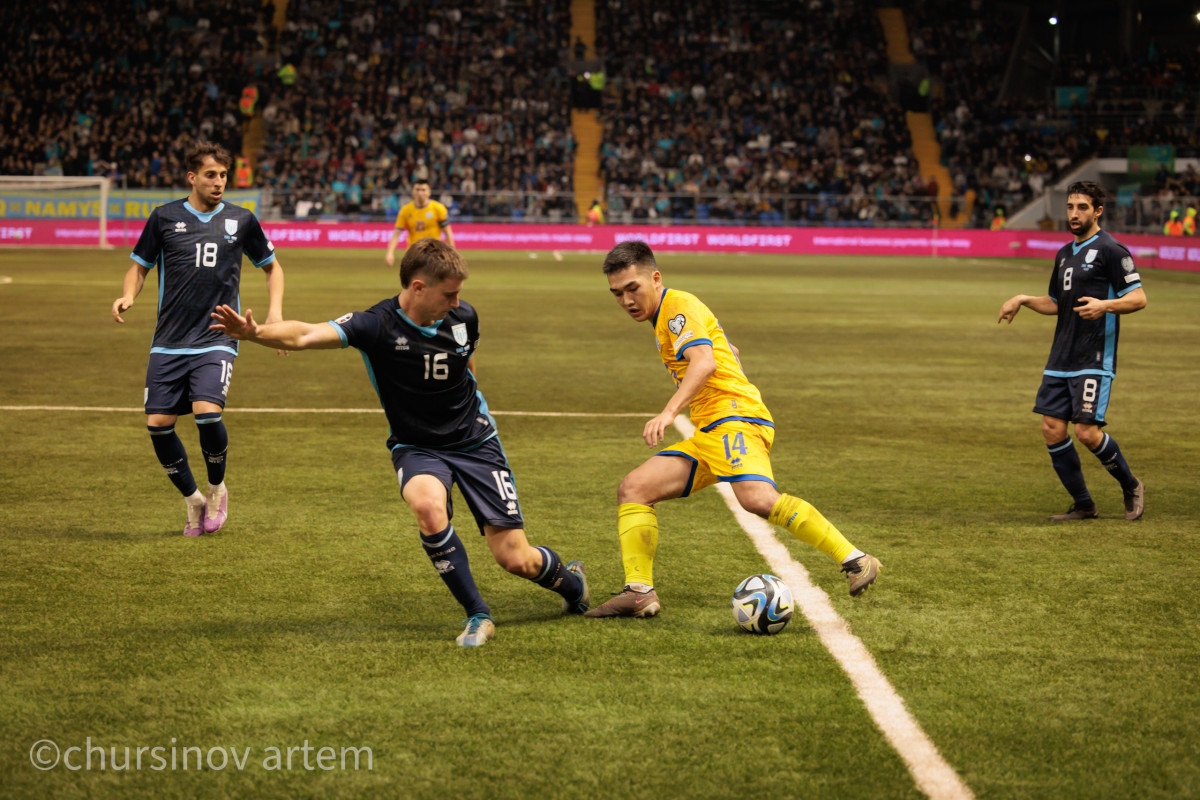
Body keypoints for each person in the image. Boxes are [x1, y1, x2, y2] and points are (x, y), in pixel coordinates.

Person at [210, 238, 589, 646]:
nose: (458, 301)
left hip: (476, 442)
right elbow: (305, 334)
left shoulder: (465, 317)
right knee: (427, 506)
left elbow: (466, 364)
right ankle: (479, 615)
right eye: (450, 293)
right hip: (417, 445)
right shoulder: (376, 325)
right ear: (418, 287)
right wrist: (254, 332)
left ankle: (573, 584)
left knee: (515, 558)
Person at [585, 241, 881, 618]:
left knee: (756, 499)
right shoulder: (666, 316)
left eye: (633, 288)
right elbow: (725, 351)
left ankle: (856, 560)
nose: (627, 300)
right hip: (712, 429)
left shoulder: (676, 307)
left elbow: (704, 361)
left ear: (655, 278)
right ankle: (639, 590)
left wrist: (668, 412)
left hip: (733, 418)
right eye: (617, 293)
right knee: (635, 489)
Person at [112, 142, 285, 537]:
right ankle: (193, 500)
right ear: (192, 177)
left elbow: (273, 269)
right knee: (158, 424)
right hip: (169, 340)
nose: (219, 182)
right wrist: (128, 295)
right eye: (211, 174)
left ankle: (217, 487)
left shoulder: (242, 220)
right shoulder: (163, 217)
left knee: (208, 413)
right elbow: (138, 267)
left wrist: (274, 316)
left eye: (224, 175)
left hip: (217, 336)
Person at [997, 181, 1147, 521]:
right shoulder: (1064, 253)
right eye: (1070, 207)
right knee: (1052, 428)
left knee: (1086, 432)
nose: (1074, 213)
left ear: (1097, 210)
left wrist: (1105, 305)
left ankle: (1131, 484)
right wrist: (1021, 299)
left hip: (1093, 357)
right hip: (1060, 357)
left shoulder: (1112, 250)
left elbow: (1138, 298)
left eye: (1082, 207)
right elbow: (1055, 303)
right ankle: (1084, 504)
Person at [384, 178, 454, 267]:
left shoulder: (438, 208)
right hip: (413, 254)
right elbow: (396, 235)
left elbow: (448, 233)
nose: (420, 193)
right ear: (413, 192)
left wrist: (452, 254)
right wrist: (390, 253)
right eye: (417, 189)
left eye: (423, 190)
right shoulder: (405, 210)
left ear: (429, 192)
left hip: (434, 254)